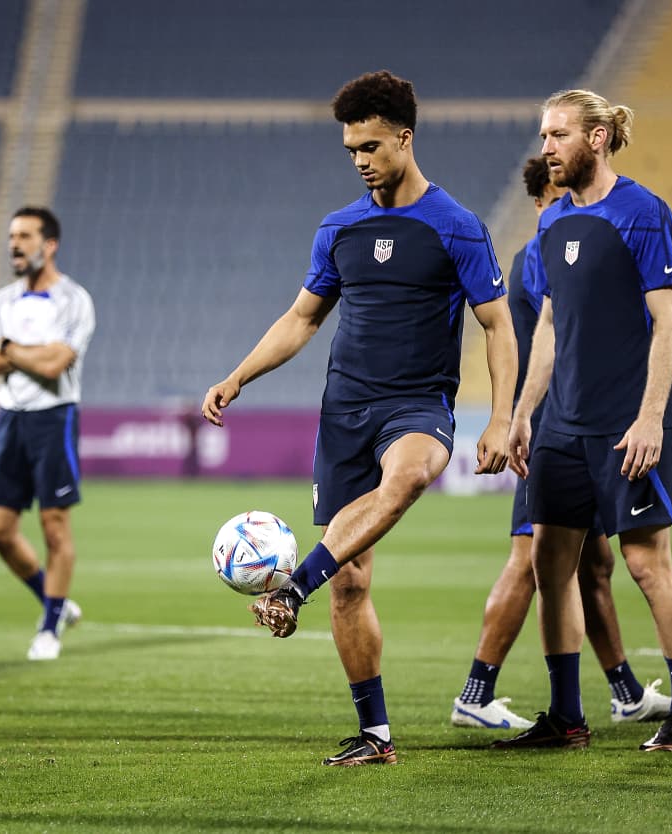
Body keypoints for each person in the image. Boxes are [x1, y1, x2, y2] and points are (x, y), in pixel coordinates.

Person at [202, 70, 518, 766]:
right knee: (352, 579)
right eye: (351, 150)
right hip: (344, 410)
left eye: (372, 145)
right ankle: (375, 736)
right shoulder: (339, 229)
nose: (362, 160)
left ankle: (293, 586)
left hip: (418, 405)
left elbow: (497, 326)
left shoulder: (457, 227)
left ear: (405, 138)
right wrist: (238, 376)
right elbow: (302, 318)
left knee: (407, 479)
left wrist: (500, 419)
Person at [496, 89, 672, 752]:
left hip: (627, 421)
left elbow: (670, 318)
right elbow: (552, 327)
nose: (546, 148)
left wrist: (652, 417)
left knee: (646, 563)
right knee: (549, 566)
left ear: (597, 138)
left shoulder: (643, 213)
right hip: (562, 424)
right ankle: (566, 718)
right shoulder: (551, 221)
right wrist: (523, 414)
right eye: (543, 135)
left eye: (558, 134)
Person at [452, 157, 671, 732]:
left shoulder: (573, 242)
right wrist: (521, 418)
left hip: (579, 422)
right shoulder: (538, 257)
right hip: (553, 427)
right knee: (533, 558)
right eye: (557, 196)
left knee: (594, 566)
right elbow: (549, 342)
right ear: (541, 201)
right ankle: (477, 689)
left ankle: (623, 690)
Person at [0, 206, 95, 661]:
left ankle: (49, 627)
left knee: (54, 525)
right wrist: (22, 353)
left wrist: (4, 347)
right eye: (11, 236)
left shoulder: (74, 300)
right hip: (10, 416)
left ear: (50, 244)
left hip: (53, 416)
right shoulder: (3, 299)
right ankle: (55, 602)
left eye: (24, 236)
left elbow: (54, 364)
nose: (14, 244)